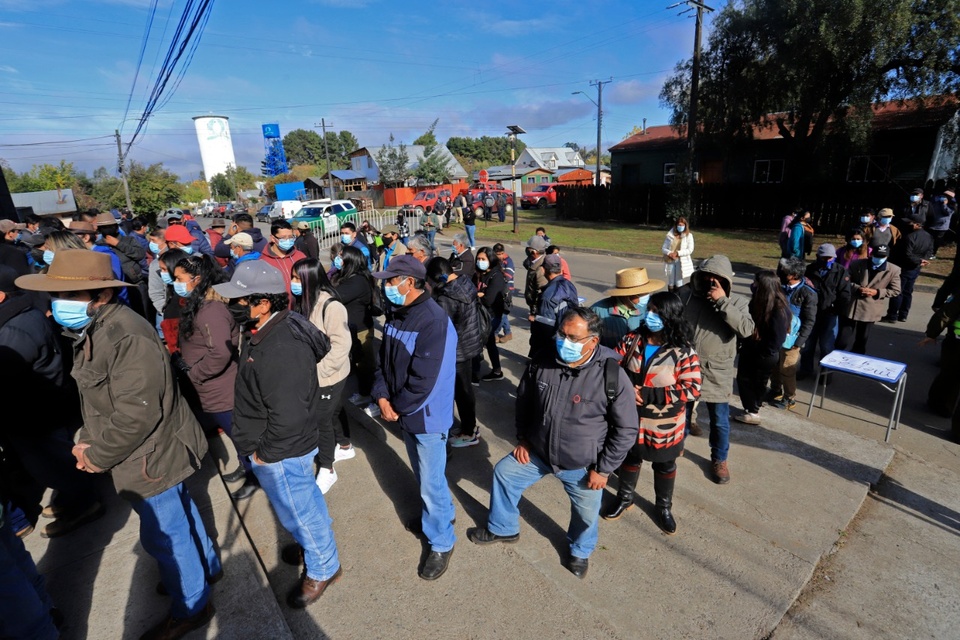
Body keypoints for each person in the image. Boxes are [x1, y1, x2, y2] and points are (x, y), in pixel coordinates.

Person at [16, 249, 220, 639]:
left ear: (103, 295)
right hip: (150, 450)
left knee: (166, 535)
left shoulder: (124, 335)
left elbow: (135, 413)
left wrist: (97, 454)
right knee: (179, 519)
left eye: (70, 296)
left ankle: (192, 604)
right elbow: (101, 400)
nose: (57, 305)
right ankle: (204, 569)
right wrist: (89, 440)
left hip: (150, 455)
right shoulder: (97, 328)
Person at [467, 307, 639, 578]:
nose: (564, 342)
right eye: (562, 334)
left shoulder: (612, 377)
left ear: (593, 341)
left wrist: (604, 469)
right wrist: (523, 439)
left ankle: (580, 552)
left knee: (586, 514)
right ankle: (503, 528)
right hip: (537, 451)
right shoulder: (542, 360)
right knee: (504, 473)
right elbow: (524, 401)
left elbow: (627, 428)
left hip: (583, 465)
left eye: (573, 338)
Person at [213, 261, 341, 609]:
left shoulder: (281, 348)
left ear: (264, 303)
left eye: (240, 301)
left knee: (299, 510)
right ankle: (315, 544)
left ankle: (323, 567)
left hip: (281, 451)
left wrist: (263, 455)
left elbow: (288, 416)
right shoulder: (270, 329)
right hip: (281, 447)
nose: (232, 307)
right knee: (304, 505)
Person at [0, 265, 103, 539]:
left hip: (34, 413)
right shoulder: (20, 314)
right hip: (41, 408)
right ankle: (73, 497)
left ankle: (84, 504)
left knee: (53, 464)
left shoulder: (14, 330)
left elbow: (6, 374)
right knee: (56, 460)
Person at [371, 255, 458, 580]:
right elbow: (382, 358)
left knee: (430, 482)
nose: (386, 286)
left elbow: (424, 381)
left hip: (426, 417)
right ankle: (441, 516)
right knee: (425, 477)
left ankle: (441, 541)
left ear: (410, 283)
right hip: (402, 411)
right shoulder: (398, 313)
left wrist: (395, 407)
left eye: (391, 281)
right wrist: (381, 394)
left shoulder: (433, 321)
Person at [602, 292, 702, 533]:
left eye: (657, 312)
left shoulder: (683, 351)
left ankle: (663, 507)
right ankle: (625, 498)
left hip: (664, 425)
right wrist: (617, 390)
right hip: (630, 418)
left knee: (665, 465)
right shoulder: (633, 339)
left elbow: (692, 388)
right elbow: (611, 367)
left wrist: (648, 395)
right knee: (629, 458)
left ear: (671, 316)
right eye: (650, 310)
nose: (651, 316)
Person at [170, 254, 252, 500]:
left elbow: (220, 352)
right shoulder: (202, 305)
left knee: (241, 435)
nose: (175, 282)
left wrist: (194, 372)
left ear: (197, 279)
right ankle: (246, 467)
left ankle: (254, 475)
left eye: (178, 278)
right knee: (236, 434)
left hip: (221, 388)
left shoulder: (211, 310)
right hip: (212, 387)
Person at [677, 255, 755, 484]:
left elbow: (746, 329)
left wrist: (722, 302)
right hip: (686, 367)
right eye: (707, 276)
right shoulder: (686, 296)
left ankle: (719, 459)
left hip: (717, 370)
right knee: (682, 413)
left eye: (717, 278)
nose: (711, 281)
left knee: (719, 420)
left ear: (726, 281)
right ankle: (676, 446)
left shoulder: (737, 302)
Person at [292, 258, 354, 494]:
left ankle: (327, 467)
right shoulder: (305, 301)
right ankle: (345, 445)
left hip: (329, 374)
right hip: (315, 372)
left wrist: (318, 372)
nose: (293, 283)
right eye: (293, 277)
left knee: (321, 419)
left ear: (310, 279)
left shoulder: (331, 306)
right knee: (333, 412)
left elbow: (341, 346)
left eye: (298, 278)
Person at [427, 257, 484, 447]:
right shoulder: (465, 283)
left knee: (460, 391)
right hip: (469, 344)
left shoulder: (446, 298)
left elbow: (440, 329)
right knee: (465, 390)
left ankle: (468, 432)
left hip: (456, 351)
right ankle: (469, 427)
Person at [735, 271, 791, 425]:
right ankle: (752, 409)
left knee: (755, 382)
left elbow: (778, 337)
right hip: (752, 349)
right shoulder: (759, 302)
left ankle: (753, 412)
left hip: (763, 354)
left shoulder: (778, 308)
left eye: (756, 282)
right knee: (747, 380)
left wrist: (765, 352)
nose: (753, 285)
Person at [769, 257, 818, 411]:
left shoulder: (808, 293)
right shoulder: (780, 286)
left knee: (787, 368)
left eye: (784, 271)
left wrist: (799, 341)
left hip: (793, 339)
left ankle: (789, 398)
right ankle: (775, 390)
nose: (781, 272)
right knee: (774, 365)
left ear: (793, 274)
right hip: (776, 334)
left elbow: (810, 320)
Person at [332, 246, 377, 409]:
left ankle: (372, 398)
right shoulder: (348, 277)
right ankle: (365, 393)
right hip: (351, 327)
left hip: (360, 329)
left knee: (365, 365)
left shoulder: (357, 280)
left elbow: (335, 296)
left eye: (341, 256)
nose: (338, 259)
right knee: (359, 363)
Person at [798, 244, 851, 380]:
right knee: (808, 345)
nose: (827, 261)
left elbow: (845, 294)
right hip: (811, 314)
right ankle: (805, 370)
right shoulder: (809, 270)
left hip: (830, 315)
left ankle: (825, 375)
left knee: (827, 346)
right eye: (824, 258)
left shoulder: (840, 271)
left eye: (830, 258)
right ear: (817, 257)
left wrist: (836, 310)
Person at [838, 245, 901, 354]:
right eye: (876, 256)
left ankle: (856, 357)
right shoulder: (857, 264)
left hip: (871, 308)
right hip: (852, 306)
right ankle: (836, 355)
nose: (878, 259)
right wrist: (857, 288)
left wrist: (877, 292)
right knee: (843, 338)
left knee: (862, 339)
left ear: (887, 257)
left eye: (882, 257)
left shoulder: (893, 270)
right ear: (871, 255)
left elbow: (895, 290)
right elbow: (845, 281)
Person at [591, 267, 664, 348]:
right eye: (641, 294)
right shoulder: (597, 311)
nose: (647, 296)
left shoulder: (645, 308)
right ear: (627, 295)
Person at [882, 210, 933, 323]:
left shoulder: (909, 237)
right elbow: (930, 251)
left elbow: (907, 253)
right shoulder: (928, 236)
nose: (908, 224)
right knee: (908, 291)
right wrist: (922, 260)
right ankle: (903, 314)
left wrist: (919, 261)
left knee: (898, 291)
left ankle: (892, 315)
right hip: (915, 268)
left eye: (910, 223)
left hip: (905, 266)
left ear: (917, 224)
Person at [528, 254, 579, 357]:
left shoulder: (547, 295)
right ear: (561, 269)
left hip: (551, 345)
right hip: (569, 337)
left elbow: (546, 327)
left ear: (543, 270)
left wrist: (535, 318)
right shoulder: (570, 285)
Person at [920, 293, 960, 418]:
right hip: (956, 342)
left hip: (955, 341)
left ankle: (939, 403)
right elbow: (946, 313)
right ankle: (941, 405)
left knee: (949, 374)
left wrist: (932, 334)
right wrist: (932, 333)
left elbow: (945, 313)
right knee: (951, 375)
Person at [474, 247, 508, 383]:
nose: (480, 261)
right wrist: (480, 294)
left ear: (491, 259)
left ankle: (474, 375)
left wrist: (477, 295)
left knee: (477, 342)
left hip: (492, 316)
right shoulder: (480, 273)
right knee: (490, 342)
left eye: (483, 259)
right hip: (482, 314)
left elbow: (488, 300)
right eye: (478, 259)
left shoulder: (496, 276)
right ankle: (497, 371)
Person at [260, 220, 306, 306]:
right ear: (273, 238)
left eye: (290, 237)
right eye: (283, 238)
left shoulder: (300, 257)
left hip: (301, 307)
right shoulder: (263, 262)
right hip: (279, 311)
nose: (288, 241)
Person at [522, 235, 550, 337]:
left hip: (538, 310)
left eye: (528, 249)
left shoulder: (540, 269)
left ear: (533, 252)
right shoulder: (534, 262)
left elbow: (542, 293)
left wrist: (535, 314)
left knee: (537, 336)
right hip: (534, 307)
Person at [662, 217, 695, 291]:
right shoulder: (670, 235)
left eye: (682, 225)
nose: (680, 227)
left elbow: (690, 250)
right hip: (670, 260)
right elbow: (663, 248)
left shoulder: (689, 236)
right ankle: (671, 298)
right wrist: (669, 253)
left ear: (685, 226)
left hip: (681, 261)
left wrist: (678, 253)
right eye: (679, 225)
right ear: (676, 225)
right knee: (671, 282)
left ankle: (679, 298)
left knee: (678, 281)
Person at [493, 243, 515, 343]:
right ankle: (508, 333)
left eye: (501, 253)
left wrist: (497, 273)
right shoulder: (494, 261)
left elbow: (507, 276)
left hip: (506, 291)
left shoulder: (508, 262)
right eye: (497, 254)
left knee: (501, 313)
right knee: (503, 313)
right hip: (497, 290)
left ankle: (495, 333)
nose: (500, 256)